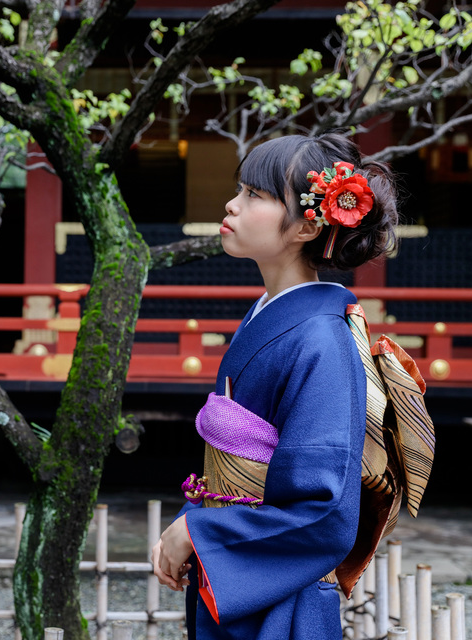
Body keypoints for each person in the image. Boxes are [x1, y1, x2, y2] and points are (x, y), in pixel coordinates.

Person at [152, 132, 399, 640]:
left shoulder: (322, 341)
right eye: (239, 190)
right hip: (238, 576)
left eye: (255, 195)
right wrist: (195, 521)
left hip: (282, 603)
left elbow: (325, 512)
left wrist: (200, 532)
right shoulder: (271, 317)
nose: (232, 204)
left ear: (307, 225)